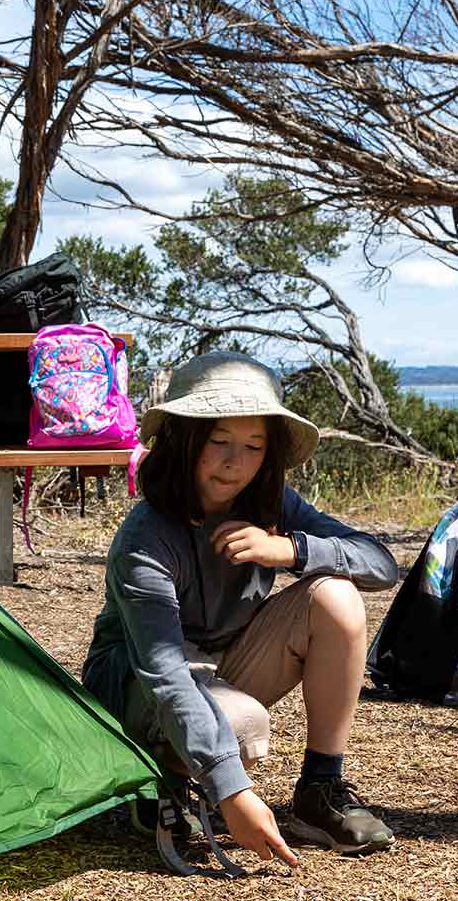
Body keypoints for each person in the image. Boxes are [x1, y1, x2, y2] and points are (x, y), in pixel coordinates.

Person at [81, 351, 400, 867]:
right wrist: (233, 790)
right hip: (136, 687)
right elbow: (164, 674)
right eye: (219, 442)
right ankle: (159, 777)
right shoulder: (145, 539)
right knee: (242, 724)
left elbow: (381, 565)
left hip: (224, 665)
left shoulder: (270, 503)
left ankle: (321, 788)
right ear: (185, 442)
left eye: (254, 446)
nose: (237, 462)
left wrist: (292, 550)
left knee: (337, 597)